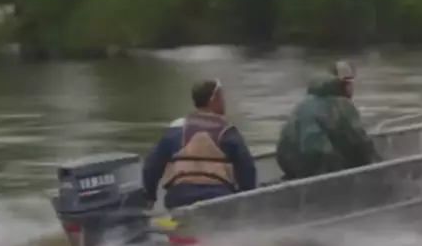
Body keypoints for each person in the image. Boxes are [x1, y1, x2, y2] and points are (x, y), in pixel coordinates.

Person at [142, 79, 258, 210]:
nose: (224, 103)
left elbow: (151, 166)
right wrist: (247, 199)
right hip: (218, 200)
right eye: (222, 98)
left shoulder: (176, 129)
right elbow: (247, 169)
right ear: (213, 100)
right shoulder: (228, 131)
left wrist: (150, 197)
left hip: (179, 199)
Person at [275, 61, 381, 181]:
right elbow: (360, 144)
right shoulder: (342, 105)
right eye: (348, 81)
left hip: (290, 166)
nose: (352, 86)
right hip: (320, 167)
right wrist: (379, 166)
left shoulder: (305, 103)